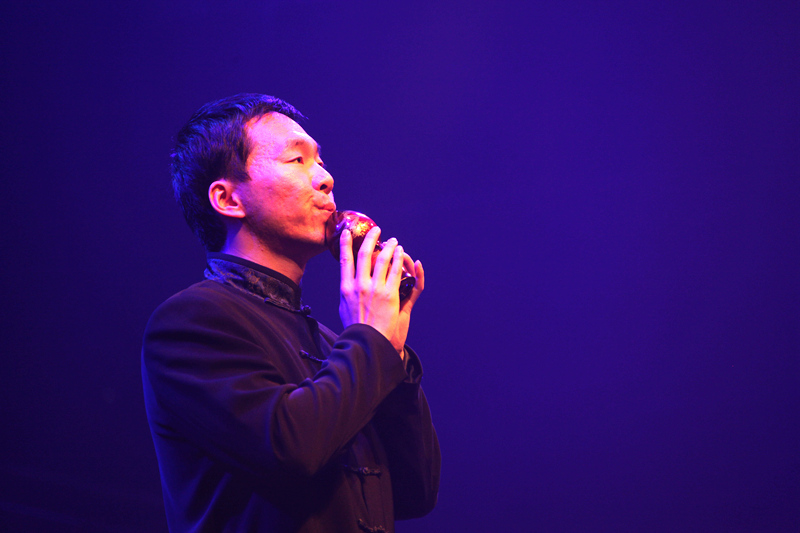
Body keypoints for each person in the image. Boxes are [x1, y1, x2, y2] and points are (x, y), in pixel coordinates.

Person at [141, 94, 440, 533]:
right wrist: (369, 337)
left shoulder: (333, 343)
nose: (326, 178)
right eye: (297, 160)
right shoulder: (191, 321)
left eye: (321, 162)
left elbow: (416, 492)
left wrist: (391, 349)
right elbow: (291, 447)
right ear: (227, 198)